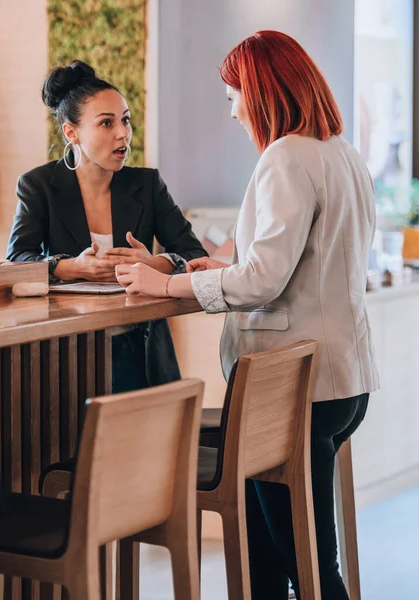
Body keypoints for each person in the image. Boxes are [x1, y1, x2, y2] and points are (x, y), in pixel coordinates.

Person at [116, 30, 379, 600]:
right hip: (343, 380)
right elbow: (296, 263)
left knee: (307, 565)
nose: (232, 110)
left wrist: (167, 282)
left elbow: (264, 279)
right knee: (271, 553)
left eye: (234, 95)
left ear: (262, 92)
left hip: (295, 390)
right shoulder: (341, 153)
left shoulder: (285, 156)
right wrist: (212, 268)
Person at [7, 60, 207, 393]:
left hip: (144, 353)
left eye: (125, 120)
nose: (123, 133)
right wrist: (72, 268)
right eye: (106, 123)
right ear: (71, 133)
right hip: (67, 357)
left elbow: (194, 254)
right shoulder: (38, 185)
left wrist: (154, 265)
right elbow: (16, 263)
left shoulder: (147, 183)